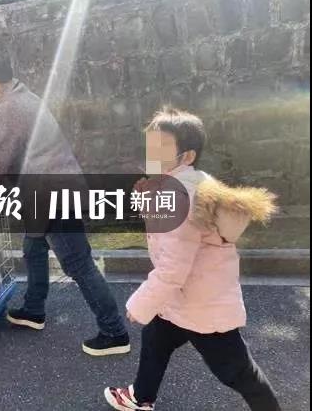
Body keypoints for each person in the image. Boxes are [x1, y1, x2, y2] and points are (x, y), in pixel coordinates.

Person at [104, 107, 281, 410]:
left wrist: (140, 304)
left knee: (239, 373)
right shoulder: (194, 182)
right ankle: (140, 397)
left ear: (186, 156)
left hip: (201, 305)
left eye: (161, 147)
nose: (151, 153)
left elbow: (172, 268)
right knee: (155, 338)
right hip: (186, 297)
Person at [0, 51, 130, 356]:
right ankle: (34, 310)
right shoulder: (22, 96)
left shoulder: (10, 108)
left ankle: (114, 332)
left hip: (52, 195)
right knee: (33, 247)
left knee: (78, 263)